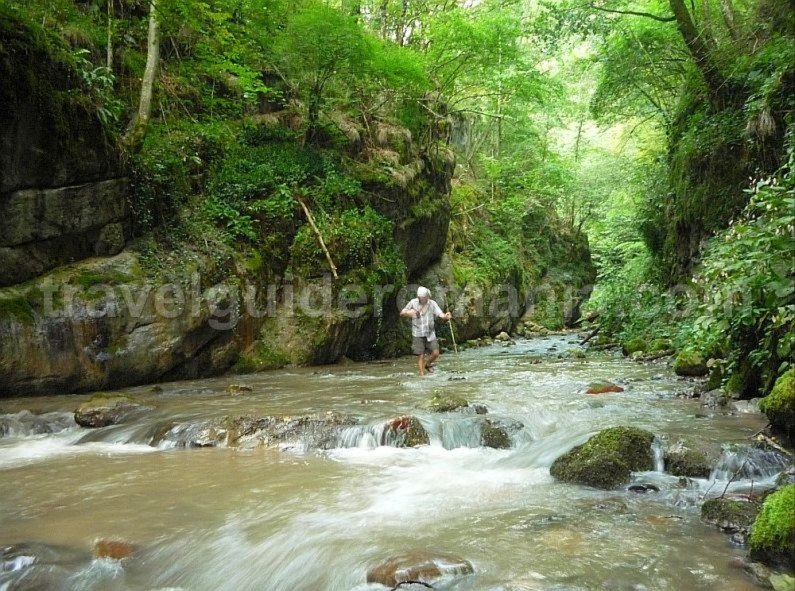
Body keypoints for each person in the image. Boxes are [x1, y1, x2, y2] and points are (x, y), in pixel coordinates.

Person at [400, 286, 452, 376]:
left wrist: (446, 316)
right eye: (421, 298)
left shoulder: (432, 304)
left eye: (425, 297)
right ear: (418, 297)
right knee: (421, 354)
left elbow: (440, 314)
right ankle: (422, 374)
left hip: (430, 333)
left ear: (427, 296)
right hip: (417, 333)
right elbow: (402, 313)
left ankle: (427, 364)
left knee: (436, 353)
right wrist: (409, 313)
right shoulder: (413, 302)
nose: (423, 299)